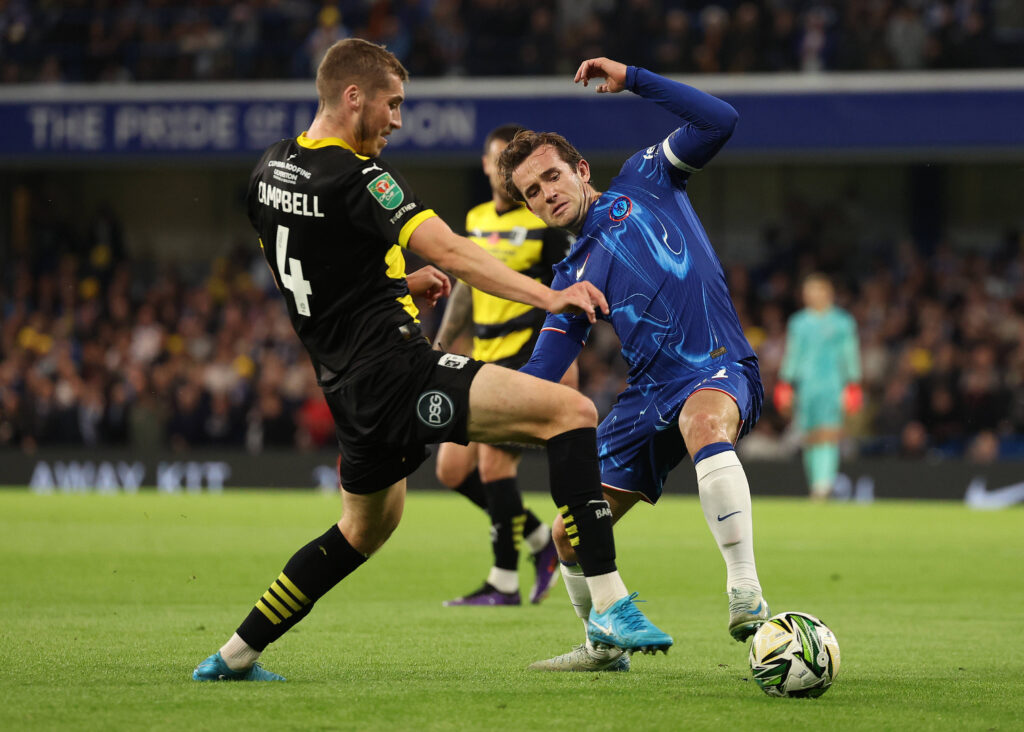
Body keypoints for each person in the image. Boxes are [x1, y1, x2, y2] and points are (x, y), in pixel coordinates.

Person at [191, 39, 671, 683]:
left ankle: (232, 656)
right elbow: (454, 251)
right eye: (391, 104)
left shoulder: (268, 172)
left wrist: (397, 287)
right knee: (571, 410)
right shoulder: (363, 178)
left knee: (361, 531)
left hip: (346, 388)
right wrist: (550, 294)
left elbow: (304, 273)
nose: (395, 120)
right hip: (398, 372)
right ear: (352, 96)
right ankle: (610, 606)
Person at [498, 57, 770, 672]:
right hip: (646, 396)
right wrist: (476, 393)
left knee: (703, 425)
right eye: (532, 192)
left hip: (715, 367)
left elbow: (720, 120)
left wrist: (635, 79)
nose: (547, 195)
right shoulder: (569, 278)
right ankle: (600, 647)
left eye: (552, 178)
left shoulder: (645, 178)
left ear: (580, 170)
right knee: (569, 534)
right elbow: (542, 372)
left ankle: (745, 591)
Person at [433, 123, 575, 607]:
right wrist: (442, 342)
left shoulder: (542, 221)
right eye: (495, 163)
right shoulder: (473, 219)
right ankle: (538, 540)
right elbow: (468, 286)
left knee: (493, 462)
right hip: (483, 354)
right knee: (452, 470)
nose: (502, 173)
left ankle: (503, 581)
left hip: (528, 351)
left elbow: (566, 286)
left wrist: (565, 362)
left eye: (508, 166)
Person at [774, 273, 862, 499]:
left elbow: (849, 353)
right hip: (806, 385)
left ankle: (824, 483)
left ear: (828, 292)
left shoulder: (843, 322)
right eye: (807, 291)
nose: (811, 295)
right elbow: (793, 353)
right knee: (809, 435)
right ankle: (816, 483)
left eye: (816, 290)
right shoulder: (799, 322)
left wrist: (852, 383)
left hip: (833, 384)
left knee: (829, 434)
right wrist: (785, 382)